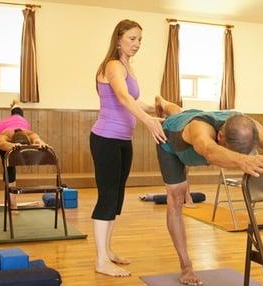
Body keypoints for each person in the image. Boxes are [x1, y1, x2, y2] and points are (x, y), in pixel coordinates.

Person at [154, 97, 263, 286]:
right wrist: (241, 160)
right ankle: (186, 267)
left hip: (192, 122)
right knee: (176, 198)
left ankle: (163, 103)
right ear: (220, 136)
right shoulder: (199, 129)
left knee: (179, 112)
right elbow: (208, 150)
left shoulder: (248, 124)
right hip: (170, 143)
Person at [90, 19, 166, 277]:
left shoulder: (127, 67)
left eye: (140, 40)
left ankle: (107, 251)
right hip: (106, 139)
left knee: (117, 199)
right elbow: (122, 97)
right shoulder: (112, 65)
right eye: (132, 38)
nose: (137, 44)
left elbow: (133, 100)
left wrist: (155, 111)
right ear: (119, 38)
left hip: (123, 140)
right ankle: (101, 261)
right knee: (107, 197)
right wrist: (148, 121)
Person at [0, 99, 47, 211]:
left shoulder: (29, 133)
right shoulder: (3, 135)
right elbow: (2, 144)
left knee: (17, 113)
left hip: (19, 121)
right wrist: (12, 146)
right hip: (3, 132)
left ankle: (16, 106)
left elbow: (38, 140)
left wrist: (41, 144)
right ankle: (13, 204)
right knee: (9, 166)